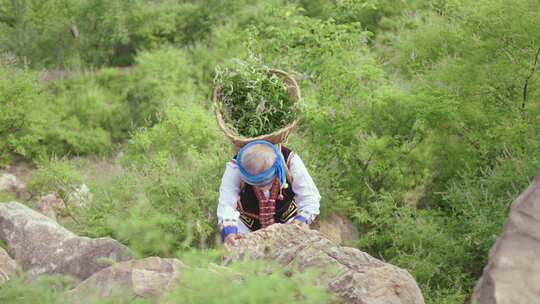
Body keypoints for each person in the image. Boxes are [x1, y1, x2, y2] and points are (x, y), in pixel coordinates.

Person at [217, 140, 320, 245]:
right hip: (247, 230)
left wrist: (302, 219)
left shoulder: (289, 159)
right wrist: (229, 231)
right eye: (257, 183)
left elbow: (309, 197)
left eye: (265, 182)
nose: (262, 187)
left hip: (290, 224)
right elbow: (226, 203)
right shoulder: (235, 166)